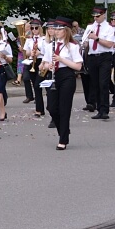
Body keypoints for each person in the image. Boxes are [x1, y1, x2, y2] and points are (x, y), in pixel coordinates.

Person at [38, 17, 83, 150]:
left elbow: (78, 66)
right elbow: (44, 64)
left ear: (66, 31)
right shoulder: (50, 45)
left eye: (59, 29)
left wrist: (61, 59)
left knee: (64, 108)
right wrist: (48, 65)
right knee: (51, 108)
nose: (56, 32)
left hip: (67, 76)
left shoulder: (73, 46)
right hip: (53, 76)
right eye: (55, 29)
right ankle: (64, 130)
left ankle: (63, 139)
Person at [84, 7, 115, 120]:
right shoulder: (90, 27)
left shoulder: (109, 28)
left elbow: (109, 44)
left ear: (104, 15)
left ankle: (104, 110)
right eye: (94, 16)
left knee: (103, 83)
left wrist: (96, 38)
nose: (95, 18)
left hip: (105, 56)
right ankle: (99, 109)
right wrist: (85, 43)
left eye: (98, 16)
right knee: (95, 84)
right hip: (92, 57)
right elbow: (85, 42)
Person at [22, 19, 47, 117]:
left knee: (37, 85)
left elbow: (48, 52)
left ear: (40, 28)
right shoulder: (29, 39)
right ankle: (39, 110)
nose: (34, 30)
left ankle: (44, 107)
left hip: (41, 61)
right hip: (32, 62)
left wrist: (40, 52)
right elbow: (26, 52)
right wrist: (31, 53)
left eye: (36, 28)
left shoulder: (44, 39)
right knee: (35, 86)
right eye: (32, 28)